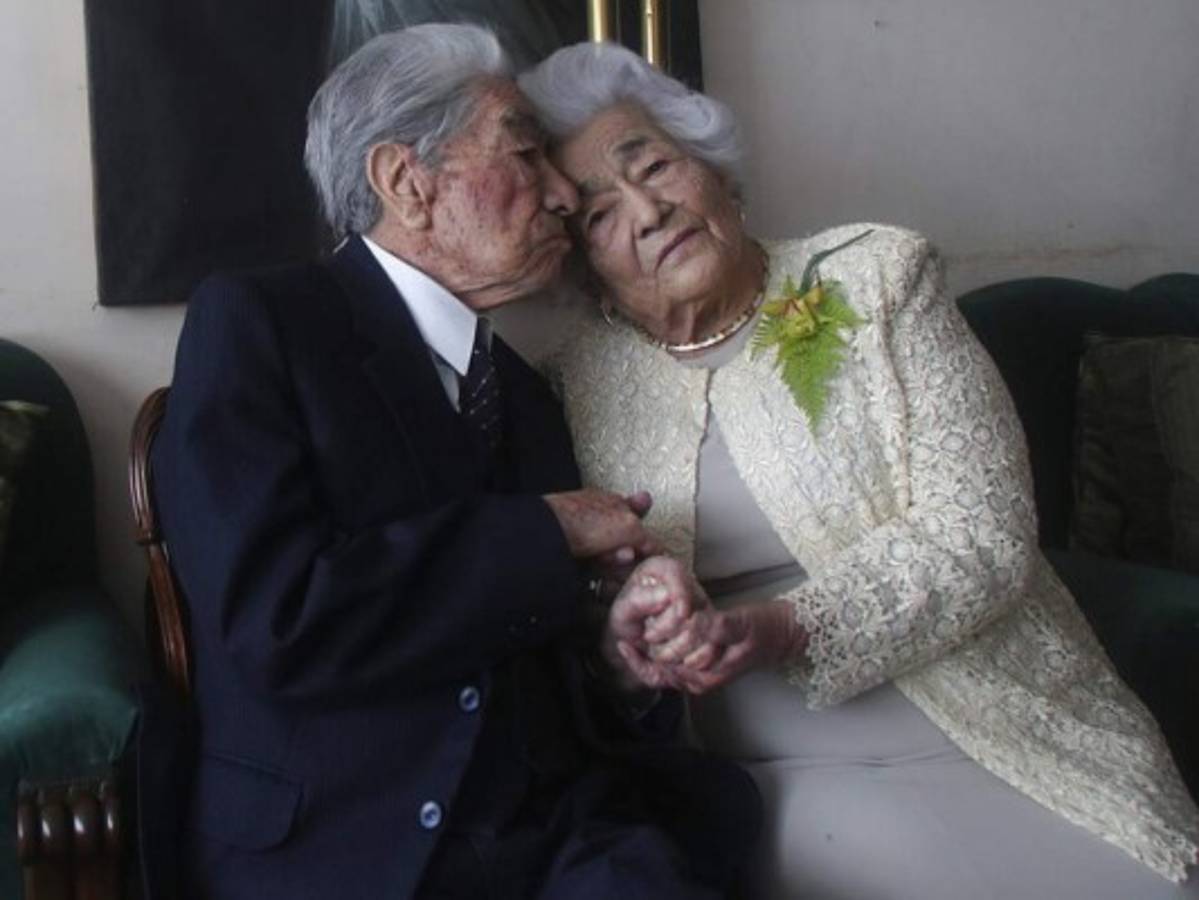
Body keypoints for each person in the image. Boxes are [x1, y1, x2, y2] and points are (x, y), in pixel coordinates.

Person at [518, 41, 1199, 899]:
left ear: (713, 170)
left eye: (652, 164)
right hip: (764, 770)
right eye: (598, 217)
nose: (647, 211)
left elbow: (981, 534)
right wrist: (624, 638)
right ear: (587, 273)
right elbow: (577, 623)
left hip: (988, 713)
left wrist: (777, 626)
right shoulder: (572, 384)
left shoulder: (875, 277)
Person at [146, 24, 759, 900]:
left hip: (552, 840)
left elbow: (543, 668)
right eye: (524, 155)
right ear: (406, 183)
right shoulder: (261, 327)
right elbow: (275, 619)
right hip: (340, 847)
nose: (560, 196)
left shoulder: (527, 392)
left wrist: (620, 657)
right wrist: (548, 528)